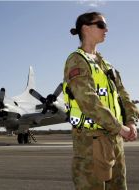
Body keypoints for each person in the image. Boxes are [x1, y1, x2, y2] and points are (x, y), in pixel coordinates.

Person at [63, 12, 138, 190]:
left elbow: (123, 95)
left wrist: (131, 122)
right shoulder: (77, 60)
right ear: (86, 28)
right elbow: (88, 101)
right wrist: (120, 128)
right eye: (101, 25)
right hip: (91, 141)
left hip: (115, 139)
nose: (107, 29)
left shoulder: (106, 65)